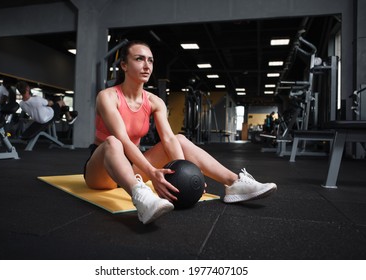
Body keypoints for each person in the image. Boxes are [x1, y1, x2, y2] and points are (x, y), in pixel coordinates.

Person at [84, 41, 277, 224]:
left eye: (150, 60)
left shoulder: (154, 101)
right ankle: (142, 197)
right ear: (124, 65)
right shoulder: (107, 96)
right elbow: (123, 139)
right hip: (102, 171)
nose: (147, 65)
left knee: (179, 139)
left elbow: (168, 139)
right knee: (113, 142)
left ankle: (234, 183)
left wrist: (187, 174)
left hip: (132, 167)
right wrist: (151, 172)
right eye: (139, 59)